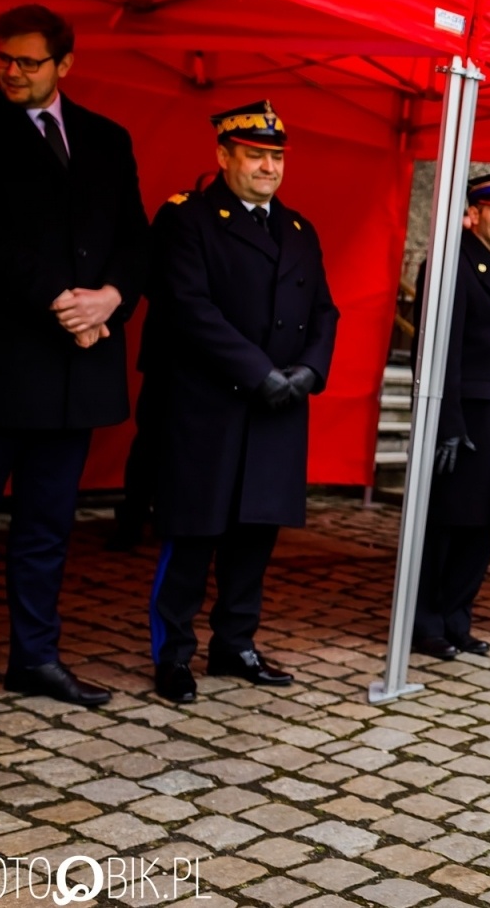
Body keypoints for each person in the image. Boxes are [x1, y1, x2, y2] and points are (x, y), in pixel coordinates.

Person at [0, 5, 148, 725]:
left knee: (46, 527)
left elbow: (135, 236)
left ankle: (34, 658)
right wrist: (60, 300)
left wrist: (112, 299)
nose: (10, 70)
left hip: (76, 373)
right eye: (2, 57)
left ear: (64, 65)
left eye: (28, 62)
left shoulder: (106, 138)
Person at [142, 101, 338, 704]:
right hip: (209, 408)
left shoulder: (299, 230)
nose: (268, 167)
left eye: (276, 156)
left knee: (254, 536)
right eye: (255, 154)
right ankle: (172, 656)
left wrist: (310, 369)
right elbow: (188, 308)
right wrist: (258, 373)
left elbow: (325, 311)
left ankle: (235, 643)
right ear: (223, 156)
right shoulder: (188, 219)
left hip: (278, 410)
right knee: (193, 534)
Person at [411, 170, 490, 660]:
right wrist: (448, 422)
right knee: (445, 527)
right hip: (464, 417)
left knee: (481, 529)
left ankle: (458, 617)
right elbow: (443, 351)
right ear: (474, 213)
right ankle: (425, 621)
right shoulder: (450, 261)